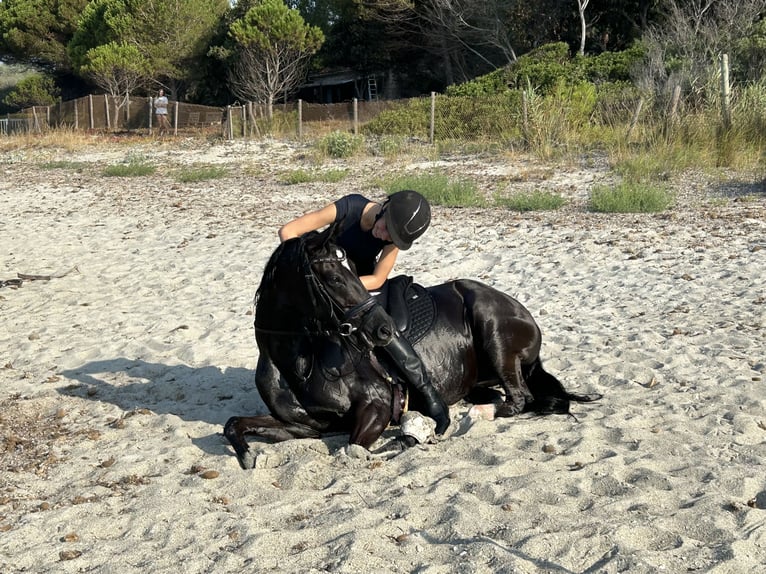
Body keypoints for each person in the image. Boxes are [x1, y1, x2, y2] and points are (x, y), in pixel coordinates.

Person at [279, 190, 450, 434]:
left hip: (360, 287)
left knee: (386, 328)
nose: (385, 235)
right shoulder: (349, 207)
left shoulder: (393, 238)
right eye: (386, 227)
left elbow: (379, 277)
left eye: (392, 236)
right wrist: (309, 273)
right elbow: (289, 231)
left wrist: (345, 286)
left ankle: (427, 392)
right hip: (322, 281)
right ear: (384, 207)